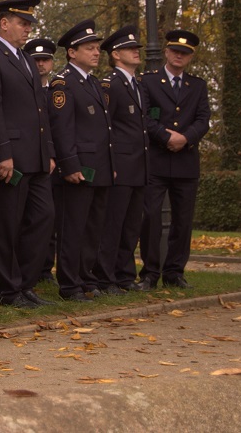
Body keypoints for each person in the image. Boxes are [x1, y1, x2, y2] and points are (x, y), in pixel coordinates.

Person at [0, 0, 55, 309]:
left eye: (30, 25)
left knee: (43, 217)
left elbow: (40, 110)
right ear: (4, 23)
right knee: (8, 224)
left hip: (35, 154)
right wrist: (4, 152)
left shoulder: (23, 58)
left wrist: (47, 150)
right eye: (23, 23)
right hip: (12, 156)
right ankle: (9, 290)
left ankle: (26, 283)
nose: (27, 30)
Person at [48, 20, 114, 301]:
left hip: (98, 168)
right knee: (72, 228)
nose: (96, 52)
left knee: (92, 228)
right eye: (89, 48)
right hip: (78, 169)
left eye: (97, 48)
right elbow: (62, 129)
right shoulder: (64, 83)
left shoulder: (94, 84)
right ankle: (69, 283)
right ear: (72, 53)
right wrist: (70, 165)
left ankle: (87, 278)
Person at [139, 30, 210, 289]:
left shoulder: (198, 85)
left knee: (183, 220)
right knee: (150, 217)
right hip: (156, 160)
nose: (179, 55)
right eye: (175, 51)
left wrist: (186, 138)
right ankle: (149, 273)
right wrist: (165, 137)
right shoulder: (148, 81)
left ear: (190, 57)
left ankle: (174, 272)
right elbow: (144, 117)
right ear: (166, 52)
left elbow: (204, 120)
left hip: (186, 161)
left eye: (185, 53)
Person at [97, 25, 150, 292]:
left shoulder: (137, 85)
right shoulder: (111, 84)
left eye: (136, 48)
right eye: (130, 49)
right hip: (120, 165)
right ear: (116, 55)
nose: (136, 52)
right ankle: (106, 278)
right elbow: (105, 126)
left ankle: (125, 275)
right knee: (113, 225)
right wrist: (111, 164)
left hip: (139, 166)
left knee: (131, 226)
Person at [24, 37, 57, 284]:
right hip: (30, 159)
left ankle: (44, 270)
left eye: (45, 60)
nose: (40, 65)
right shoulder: (28, 88)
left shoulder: (58, 90)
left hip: (51, 161)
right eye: (36, 60)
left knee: (48, 217)